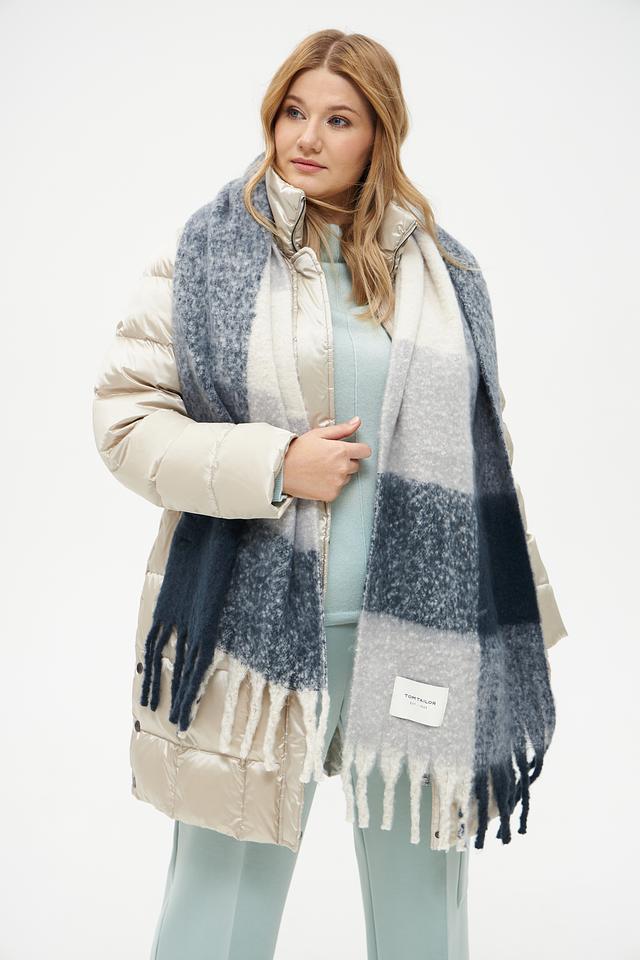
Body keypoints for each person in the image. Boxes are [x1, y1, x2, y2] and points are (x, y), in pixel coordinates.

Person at [92, 28, 567, 960]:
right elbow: (125, 423)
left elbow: (487, 457)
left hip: (420, 634)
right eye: (293, 112)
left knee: (424, 916)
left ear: (380, 133)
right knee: (218, 912)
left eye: (338, 119)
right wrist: (277, 464)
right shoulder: (205, 256)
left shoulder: (449, 275)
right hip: (251, 642)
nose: (306, 137)